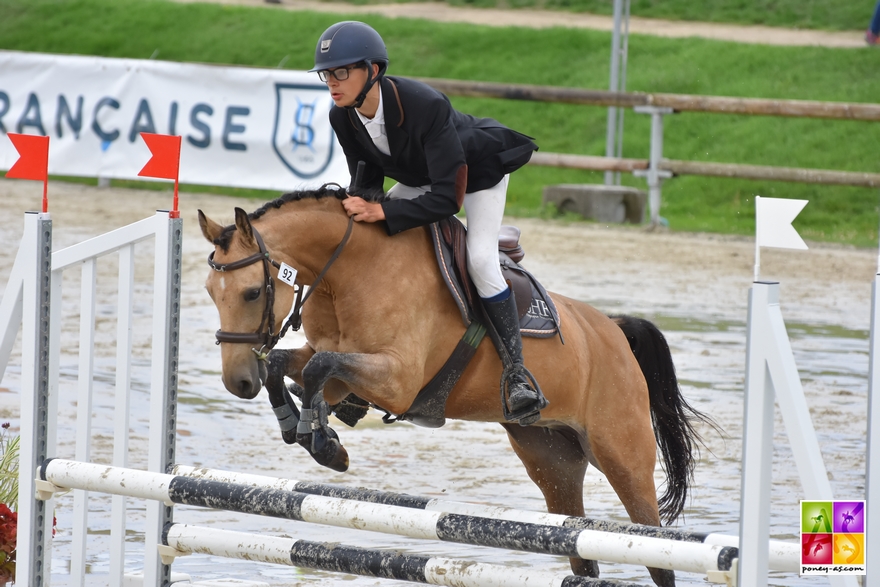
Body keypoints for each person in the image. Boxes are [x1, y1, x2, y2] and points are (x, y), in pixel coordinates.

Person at [310, 21, 547, 425]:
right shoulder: (342, 117)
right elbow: (366, 183)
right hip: (424, 179)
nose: (332, 82)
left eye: (342, 72)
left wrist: (384, 211)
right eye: (327, 74)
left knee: (480, 261)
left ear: (373, 71)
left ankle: (517, 375)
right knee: (374, 238)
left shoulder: (425, 105)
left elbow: (446, 199)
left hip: (475, 176)